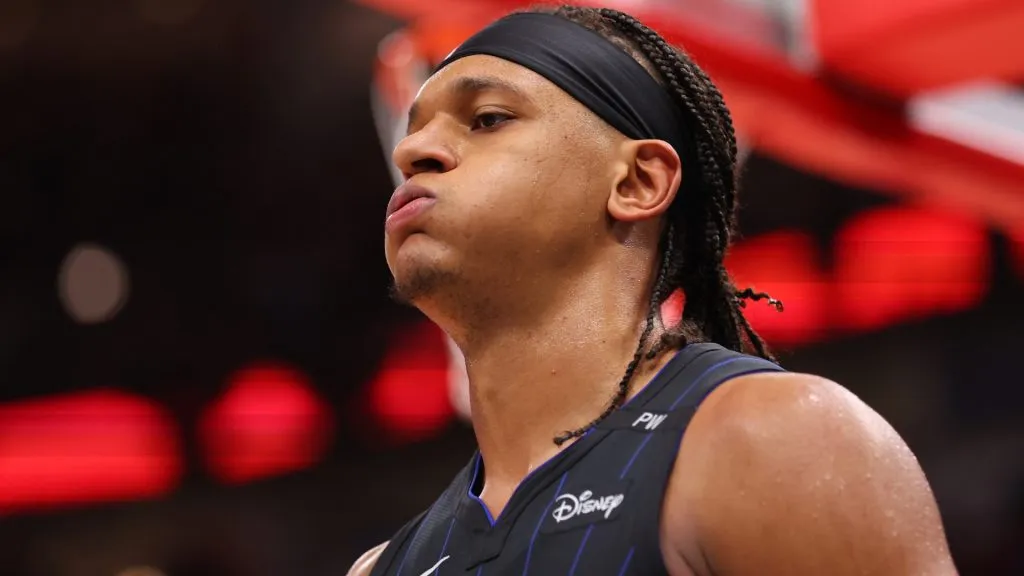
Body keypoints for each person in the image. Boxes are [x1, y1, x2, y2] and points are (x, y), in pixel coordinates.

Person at [352, 5, 958, 575]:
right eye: (414, 131)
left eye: (488, 119)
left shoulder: (778, 440)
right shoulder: (384, 566)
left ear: (639, 182)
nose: (411, 151)